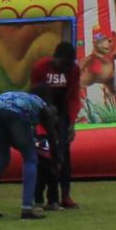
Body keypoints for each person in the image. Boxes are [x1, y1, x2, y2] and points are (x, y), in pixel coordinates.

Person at [0, 87, 51, 220]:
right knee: (30, 158)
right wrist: (54, 145)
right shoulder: (39, 102)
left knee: (1, 157)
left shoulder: (24, 98)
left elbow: (13, 138)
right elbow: (49, 122)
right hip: (15, 111)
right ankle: (27, 208)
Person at [32, 38, 81, 212]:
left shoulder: (73, 70)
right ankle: (42, 197)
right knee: (44, 155)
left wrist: (71, 122)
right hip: (43, 112)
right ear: (56, 57)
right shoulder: (40, 67)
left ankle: (65, 196)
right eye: (63, 63)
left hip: (62, 114)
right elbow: (35, 94)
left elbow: (73, 96)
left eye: (69, 64)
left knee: (64, 153)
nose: (65, 67)